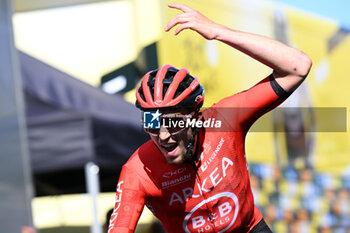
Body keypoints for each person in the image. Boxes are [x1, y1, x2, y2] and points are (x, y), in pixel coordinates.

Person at [108, 3, 311, 233]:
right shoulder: (138, 169)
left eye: (173, 122)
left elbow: (298, 67)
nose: (163, 135)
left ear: (194, 116)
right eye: (152, 123)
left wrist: (219, 32)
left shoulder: (224, 120)